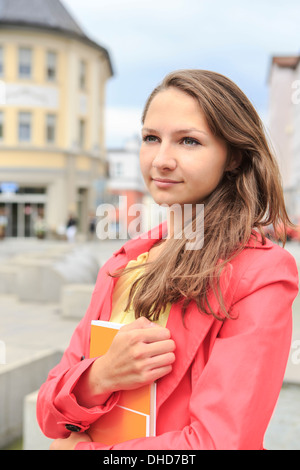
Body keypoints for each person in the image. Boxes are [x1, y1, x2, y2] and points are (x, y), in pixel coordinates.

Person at [37, 70, 299, 450]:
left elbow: (219, 442)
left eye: (189, 141)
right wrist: (100, 377)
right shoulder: (126, 260)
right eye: (151, 138)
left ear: (234, 157)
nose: (161, 160)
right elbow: (49, 413)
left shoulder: (261, 273)